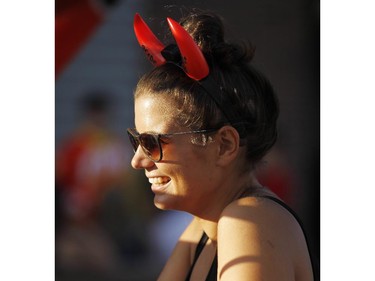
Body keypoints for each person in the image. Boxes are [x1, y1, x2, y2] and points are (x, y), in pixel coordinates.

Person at [127, 11, 315, 280]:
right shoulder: (203, 227)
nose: (138, 160)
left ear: (224, 145)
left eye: (152, 142)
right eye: (137, 139)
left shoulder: (251, 222)